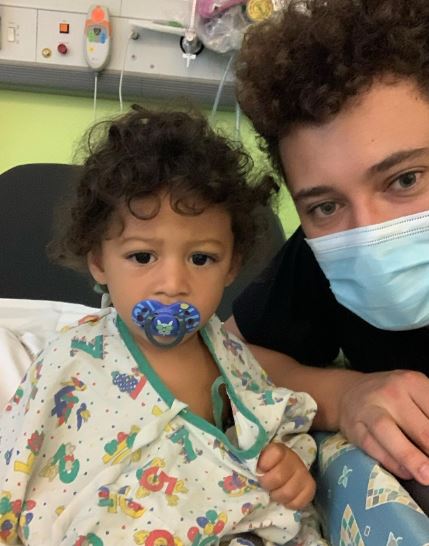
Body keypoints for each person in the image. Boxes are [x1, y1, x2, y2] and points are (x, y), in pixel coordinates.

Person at [0, 106, 327, 545]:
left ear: (230, 267)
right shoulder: (69, 358)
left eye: (201, 259)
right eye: (142, 257)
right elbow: (16, 465)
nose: (173, 284)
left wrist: (287, 465)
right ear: (98, 262)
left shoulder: (231, 357)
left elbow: (271, 428)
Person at [226, 0, 429, 511]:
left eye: (405, 180)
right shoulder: (321, 255)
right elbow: (230, 354)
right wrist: (345, 395)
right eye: (325, 205)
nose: (369, 232)